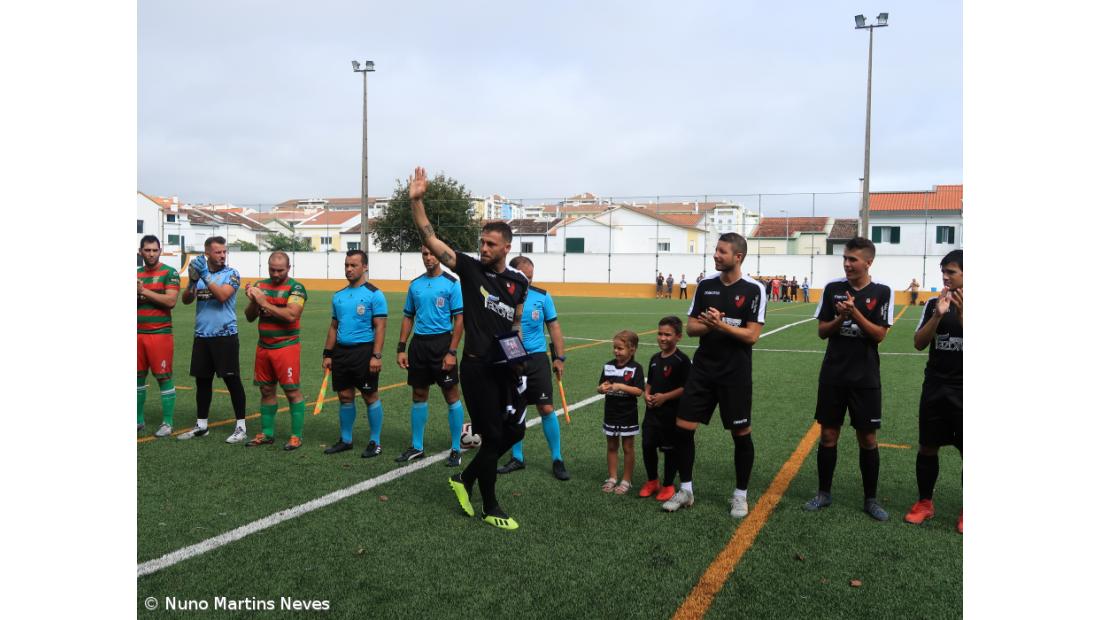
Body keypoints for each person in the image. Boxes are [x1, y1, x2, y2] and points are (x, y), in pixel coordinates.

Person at [409, 166, 529, 531]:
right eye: (482, 243)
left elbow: (515, 324)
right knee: (493, 436)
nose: (484, 248)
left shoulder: (516, 283)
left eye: (491, 244)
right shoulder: (471, 270)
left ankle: (465, 479)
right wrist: (417, 202)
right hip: (477, 369)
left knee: (514, 432)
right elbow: (434, 243)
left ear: (507, 247)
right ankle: (491, 506)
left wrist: (519, 357)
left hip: (505, 368)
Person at [661, 233, 766, 518]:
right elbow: (692, 327)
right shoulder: (705, 286)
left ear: (738, 256)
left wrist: (720, 325)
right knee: (683, 428)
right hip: (703, 370)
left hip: (735, 374)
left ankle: (740, 495)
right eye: (716, 250)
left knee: (741, 434)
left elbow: (752, 335)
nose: (716, 255)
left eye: (722, 251)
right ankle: (686, 490)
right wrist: (710, 325)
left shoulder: (754, 289)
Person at [804, 237, 895, 521]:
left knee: (867, 438)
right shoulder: (833, 289)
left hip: (865, 377)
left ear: (868, 262)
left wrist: (855, 312)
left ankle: (871, 499)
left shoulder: (882, 292)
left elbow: (879, 335)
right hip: (833, 375)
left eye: (853, 259)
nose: (847, 264)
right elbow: (822, 332)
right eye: (845, 258)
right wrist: (840, 319)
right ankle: (823, 493)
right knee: (828, 435)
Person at [497, 256, 571, 480]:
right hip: (511, 357)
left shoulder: (542, 296)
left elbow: (554, 327)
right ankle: (517, 457)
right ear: (514, 274)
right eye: (524, 277)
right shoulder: (502, 296)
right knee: (516, 411)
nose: (528, 281)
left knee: (546, 408)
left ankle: (557, 459)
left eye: (531, 277)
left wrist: (559, 358)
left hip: (537, 358)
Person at [905, 250, 963, 533]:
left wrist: (963, 315)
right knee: (928, 446)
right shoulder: (932, 304)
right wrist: (938, 317)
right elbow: (918, 343)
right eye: (944, 271)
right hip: (936, 387)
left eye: (951, 271)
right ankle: (924, 503)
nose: (945, 276)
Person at [395, 246, 466, 466]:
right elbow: (408, 317)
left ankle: (456, 448)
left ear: (439, 255)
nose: (428, 257)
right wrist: (401, 348)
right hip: (419, 345)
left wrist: (452, 352)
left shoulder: (452, 283)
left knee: (451, 394)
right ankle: (417, 447)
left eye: (432, 253)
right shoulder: (414, 285)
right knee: (418, 393)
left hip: (442, 344)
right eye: (425, 254)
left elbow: (459, 320)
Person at [178, 237, 248, 442]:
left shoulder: (232, 274)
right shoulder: (200, 274)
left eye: (224, 251)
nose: (223, 255)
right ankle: (201, 425)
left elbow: (223, 296)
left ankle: (241, 427)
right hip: (202, 335)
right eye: (218, 252)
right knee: (202, 381)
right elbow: (186, 300)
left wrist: (206, 276)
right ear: (207, 253)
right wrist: (191, 281)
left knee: (232, 380)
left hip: (225, 335)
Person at [322, 250, 387, 457]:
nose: (349, 269)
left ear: (365, 267)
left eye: (354, 265)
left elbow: (380, 327)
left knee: (370, 395)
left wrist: (376, 356)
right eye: (347, 265)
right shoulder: (338, 296)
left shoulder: (374, 294)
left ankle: (375, 442)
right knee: (344, 396)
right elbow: (334, 327)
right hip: (342, 352)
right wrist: (328, 354)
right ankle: (346, 439)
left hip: (364, 351)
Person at [243, 252, 308, 451]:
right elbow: (249, 317)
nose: (276, 273)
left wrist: (264, 303)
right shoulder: (261, 286)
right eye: (272, 269)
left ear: (289, 268)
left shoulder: (296, 288)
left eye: (280, 270)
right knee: (266, 390)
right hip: (264, 347)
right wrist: (254, 301)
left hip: (286, 347)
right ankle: (267, 433)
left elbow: (291, 315)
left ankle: (296, 436)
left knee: (291, 392)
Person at [639, 316, 691, 502]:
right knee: (647, 445)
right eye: (660, 334)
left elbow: (686, 388)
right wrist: (647, 395)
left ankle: (668, 485)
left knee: (670, 449)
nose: (662, 338)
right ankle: (652, 481)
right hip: (652, 413)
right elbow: (650, 382)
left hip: (671, 414)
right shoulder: (654, 359)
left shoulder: (682, 360)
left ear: (678, 337)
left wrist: (665, 397)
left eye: (667, 335)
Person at [137, 235, 180, 437]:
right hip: (137, 334)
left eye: (155, 250)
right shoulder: (136, 274)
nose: (151, 254)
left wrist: (143, 292)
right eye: (147, 250)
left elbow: (170, 301)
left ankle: (168, 423)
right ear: (140, 252)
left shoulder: (169, 273)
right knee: (136, 377)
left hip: (159, 334)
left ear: (160, 251)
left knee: (163, 377)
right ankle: (137, 420)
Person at [598, 330, 645, 495]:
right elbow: (601, 386)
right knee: (611, 446)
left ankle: (626, 480)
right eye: (615, 348)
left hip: (627, 415)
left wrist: (621, 386)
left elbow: (639, 391)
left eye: (620, 348)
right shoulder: (608, 366)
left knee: (628, 447)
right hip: (610, 413)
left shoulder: (636, 368)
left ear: (631, 349)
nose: (616, 351)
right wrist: (601, 389)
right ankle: (612, 477)